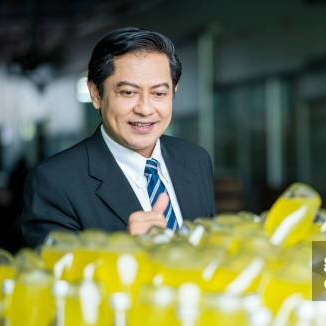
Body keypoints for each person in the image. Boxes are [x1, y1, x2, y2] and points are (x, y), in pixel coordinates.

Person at [22, 27, 216, 248]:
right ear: (96, 94)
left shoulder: (196, 160)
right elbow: (52, 276)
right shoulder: (54, 182)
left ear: (173, 92)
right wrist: (125, 249)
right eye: (128, 92)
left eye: (159, 93)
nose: (145, 109)